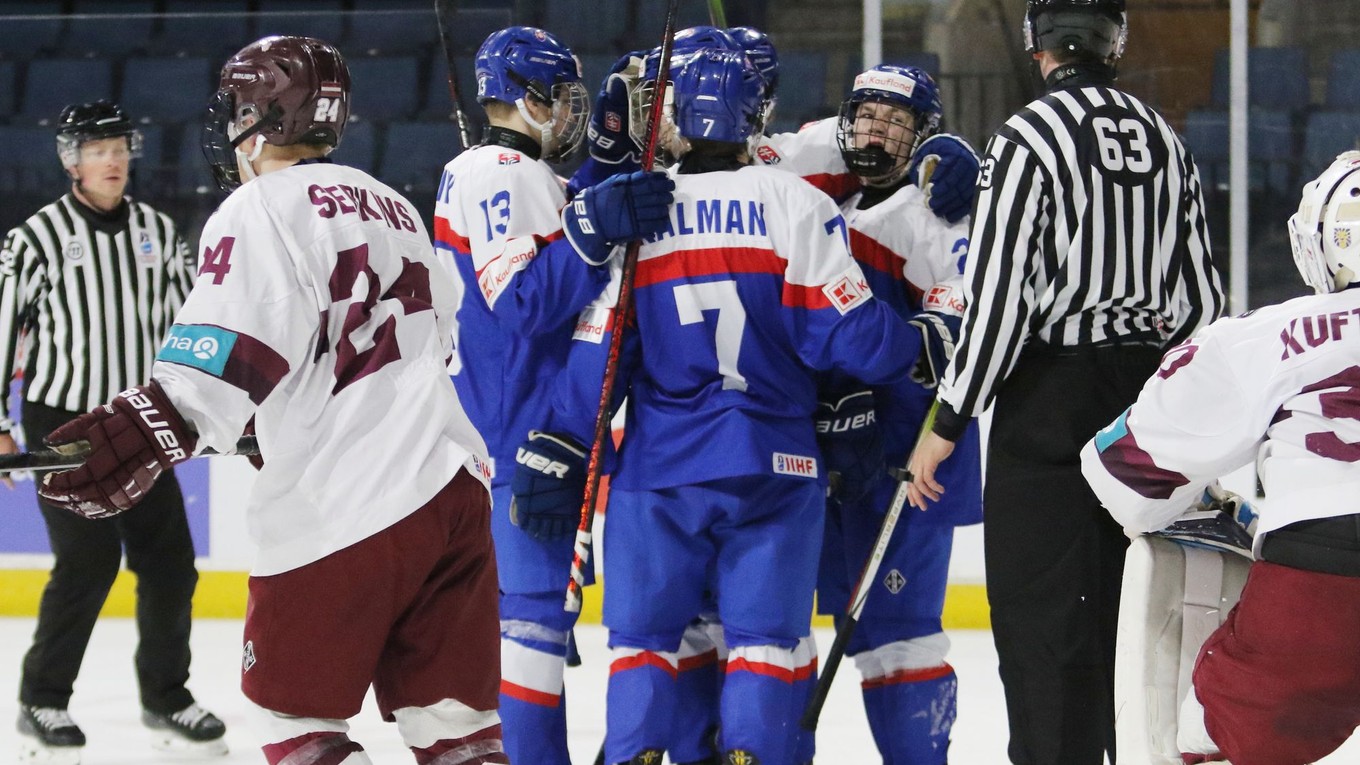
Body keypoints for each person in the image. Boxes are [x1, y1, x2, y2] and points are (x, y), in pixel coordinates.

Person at [32, 36, 508, 765]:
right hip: (454, 495)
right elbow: (426, 344)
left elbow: (226, 360)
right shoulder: (393, 205)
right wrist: (270, 420)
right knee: (459, 733)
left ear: (261, 116)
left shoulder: (260, 207)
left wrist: (141, 429)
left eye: (236, 109)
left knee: (296, 724)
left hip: (347, 503)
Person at [510, 49, 925, 765]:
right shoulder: (796, 203)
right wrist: (921, 341)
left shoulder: (643, 206)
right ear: (753, 117)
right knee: (765, 644)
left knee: (643, 645)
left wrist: (565, 436)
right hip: (777, 465)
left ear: (676, 116)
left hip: (659, 472)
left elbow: (605, 349)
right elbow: (855, 338)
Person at [904, 0, 1226, 762]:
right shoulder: (1164, 138)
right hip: (1146, 407)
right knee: (1136, 632)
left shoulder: (1027, 136)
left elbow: (1001, 303)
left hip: (1048, 405)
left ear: (1038, 46)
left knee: (1046, 635)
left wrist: (946, 421)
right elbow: (1203, 305)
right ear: (1114, 44)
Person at [433, 26, 674, 765]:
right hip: (525, 436)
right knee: (531, 628)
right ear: (525, 98)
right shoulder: (501, 170)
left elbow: (558, 240)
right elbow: (523, 298)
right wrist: (596, 221)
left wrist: (602, 173)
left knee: (533, 624)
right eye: (562, 98)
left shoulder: (503, 170)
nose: (571, 112)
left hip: (513, 426)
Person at [1081, 151, 1360, 765]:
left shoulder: (1268, 334)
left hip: (1320, 588)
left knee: (1209, 736)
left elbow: (1125, 473)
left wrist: (1196, 505)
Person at [0, 100, 225, 764]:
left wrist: (205, 405)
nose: (113, 160)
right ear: (72, 161)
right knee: (87, 563)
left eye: (120, 147)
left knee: (170, 564)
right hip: (66, 425)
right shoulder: (35, 238)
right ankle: (42, 698)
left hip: (140, 420)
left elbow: (190, 322)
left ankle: (167, 695)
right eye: (98, 150)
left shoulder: (159, 230)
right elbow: (3, 328)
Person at [812, 63, 983, 765]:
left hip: (903, 458)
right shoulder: (830, 204)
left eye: (895, 121)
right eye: (866, 117)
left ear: (923, 136)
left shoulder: (935, 214)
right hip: (827, 454)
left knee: (902, 636)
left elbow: (954, 337)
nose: (876, 132)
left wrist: (883, 381)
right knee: (839, 632)